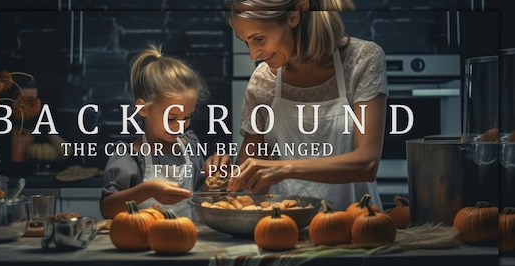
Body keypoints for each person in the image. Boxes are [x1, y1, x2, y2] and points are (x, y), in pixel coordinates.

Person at [226, 0, 388, 211]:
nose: (254, 54)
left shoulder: (363, 59)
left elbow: (366, 164)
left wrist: (283, 168)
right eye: (246, 42)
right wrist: (226, 176)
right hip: (285, 228)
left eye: (259, 38)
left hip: (356, 223)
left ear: (293, 15)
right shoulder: (262, 81)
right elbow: (251, 182)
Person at [100, 43, 230, 219]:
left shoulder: (189, 146)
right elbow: (107, 208)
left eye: (187, 117)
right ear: (143, 109)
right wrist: (148, 190)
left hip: (187, 239)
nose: (180, 126)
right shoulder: (129, 156)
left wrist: (216, 182)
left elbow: (200, 197)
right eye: (171, 118)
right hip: (143, 241)